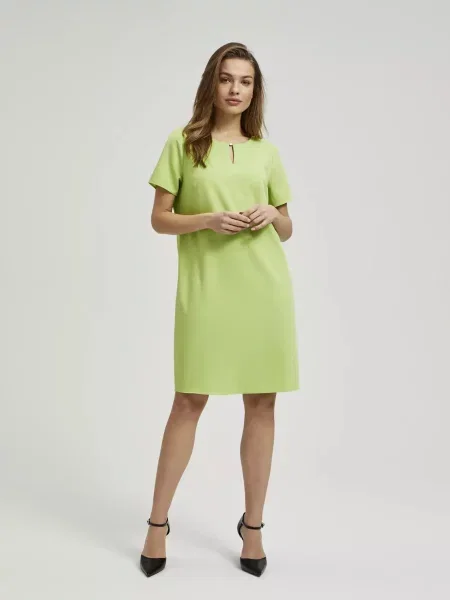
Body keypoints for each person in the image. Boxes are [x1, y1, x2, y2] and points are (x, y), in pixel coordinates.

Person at [140, 42, 300, 579]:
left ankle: (253, 528)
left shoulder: (265, 151)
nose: (236, 89)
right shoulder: (183, 143)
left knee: (263, 404)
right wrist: (207, 220)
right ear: (212, 83)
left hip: (264, 291)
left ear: (255, 90)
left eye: (246, 81)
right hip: (207, 290)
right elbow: (159, 219)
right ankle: (156, 523)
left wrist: (270, 214)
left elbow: (287, 227)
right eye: (227, 78)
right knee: (189, 400)